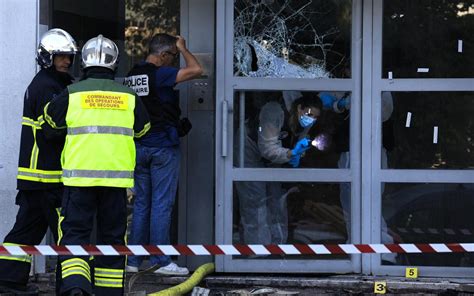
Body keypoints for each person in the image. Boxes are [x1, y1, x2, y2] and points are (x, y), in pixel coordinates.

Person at [43, 35, 150, 296]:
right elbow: (143, 129)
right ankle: (109, 292)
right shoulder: (129, 96)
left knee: (74, 236)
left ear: (85, 63)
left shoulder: (72, 93)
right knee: (113, 241)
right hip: (116, 184)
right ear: (115, 64)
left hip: (79, 182)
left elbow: (50, 121)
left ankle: (76, 287)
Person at [0, 28, 78, 295]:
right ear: (47, 58)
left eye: (69, 56)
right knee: (67, 233)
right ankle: (72, 286)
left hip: (37, 176)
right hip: (47, 175)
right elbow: (52, 129)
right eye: (61, 57)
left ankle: (8, 280)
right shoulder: (47, 86)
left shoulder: (54, 83)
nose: (66, 61)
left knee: (25, 231)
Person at [123, 33, 202, 275]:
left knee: (142, 205)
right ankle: (160, 260)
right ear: (164, 54)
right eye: (173, 56)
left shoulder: (133, 75)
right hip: (162, 148)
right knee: (161, 204)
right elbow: (197, 70)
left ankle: (134, 262)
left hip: (138, 147)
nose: (173, 61)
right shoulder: (161, 74)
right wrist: (185, 48)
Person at [319, 89, 397, 264]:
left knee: (370, 201)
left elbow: (384, 112)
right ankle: (357, 248)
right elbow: (322, 102)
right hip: (351, 149)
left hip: (372, 148)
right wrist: (339, 104)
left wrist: (349, 103)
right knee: (351, 204)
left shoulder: (379, 86)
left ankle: (382, 250)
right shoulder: (343, 86)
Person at [234, 92, 321, 244]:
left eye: (315, 117)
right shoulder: (274, 111)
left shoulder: (305, 121)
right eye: (309, 114)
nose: (310, 119)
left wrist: (297, 154)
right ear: (299, 108)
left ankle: (278, 246)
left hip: (276, 154)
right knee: (255, 202)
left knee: (277, 200)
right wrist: (290, 153)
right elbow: (267, 148)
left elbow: (297, 142)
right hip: (250, 149)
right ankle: (257, 250)